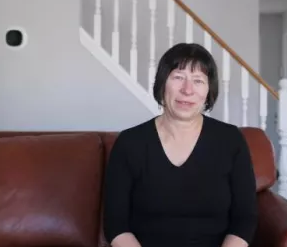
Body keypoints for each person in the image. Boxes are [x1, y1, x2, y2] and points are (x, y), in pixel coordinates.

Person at [103, 43, 258, 247]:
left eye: (198, 80)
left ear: (208, 90)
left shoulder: (231, 140)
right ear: (162, 83)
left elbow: (244, 220)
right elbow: (116, 225)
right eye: (178, 77)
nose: (187, 90)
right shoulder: (130, 143)